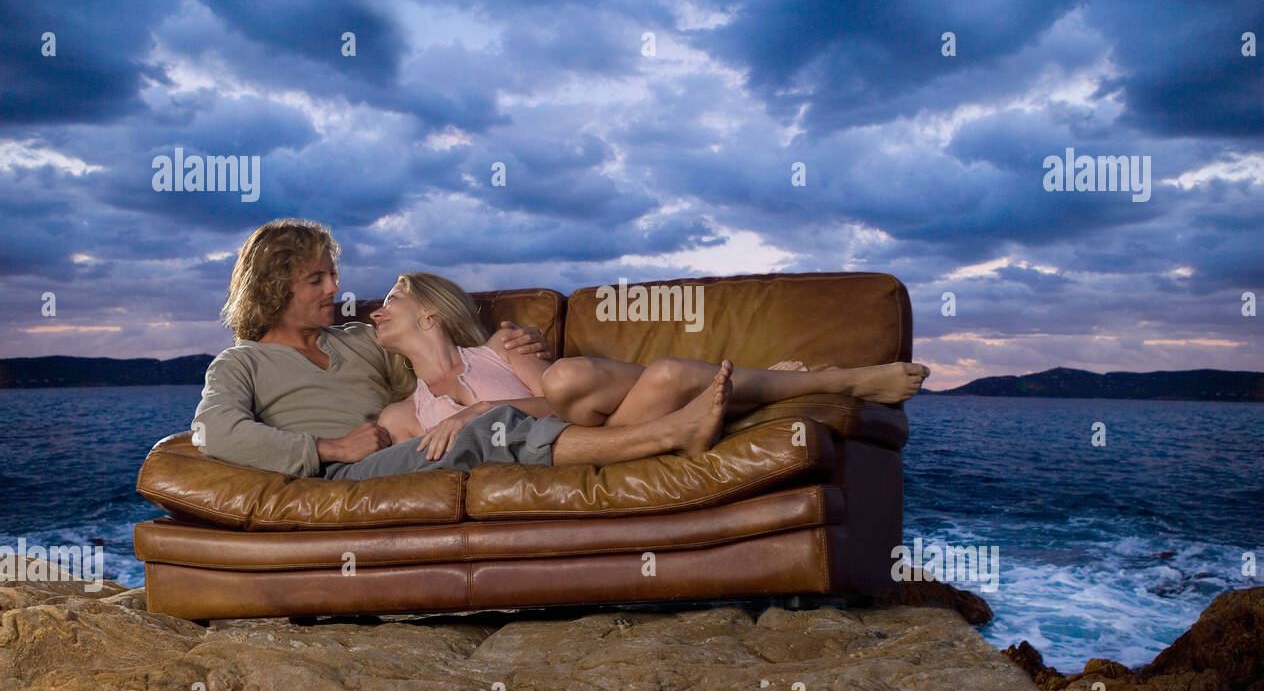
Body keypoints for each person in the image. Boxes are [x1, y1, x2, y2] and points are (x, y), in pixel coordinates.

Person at [193, 218, 736, 481]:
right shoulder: (240, 363)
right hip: (342, 477)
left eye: (333, 275)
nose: (336, 289)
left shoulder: (361, 342)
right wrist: (331, 449)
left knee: (482, 417)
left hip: (398, 455)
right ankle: (666, 434)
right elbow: (216, 433)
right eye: (316, 280)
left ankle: (671, 407)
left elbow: (447, 363)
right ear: (272, 287)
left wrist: (525, 349)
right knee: (482, 426)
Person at [368, 272, 931, 461]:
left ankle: (840, 380)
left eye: (392, 298)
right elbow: (347, 456)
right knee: (664, 378)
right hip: (573, 458)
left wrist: (489, 410)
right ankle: (794, 385)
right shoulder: (409, 410)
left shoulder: (503, 347)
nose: (374, 310)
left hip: (594, 427)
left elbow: (564, 410)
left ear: (431, 314)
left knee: (582, 378)